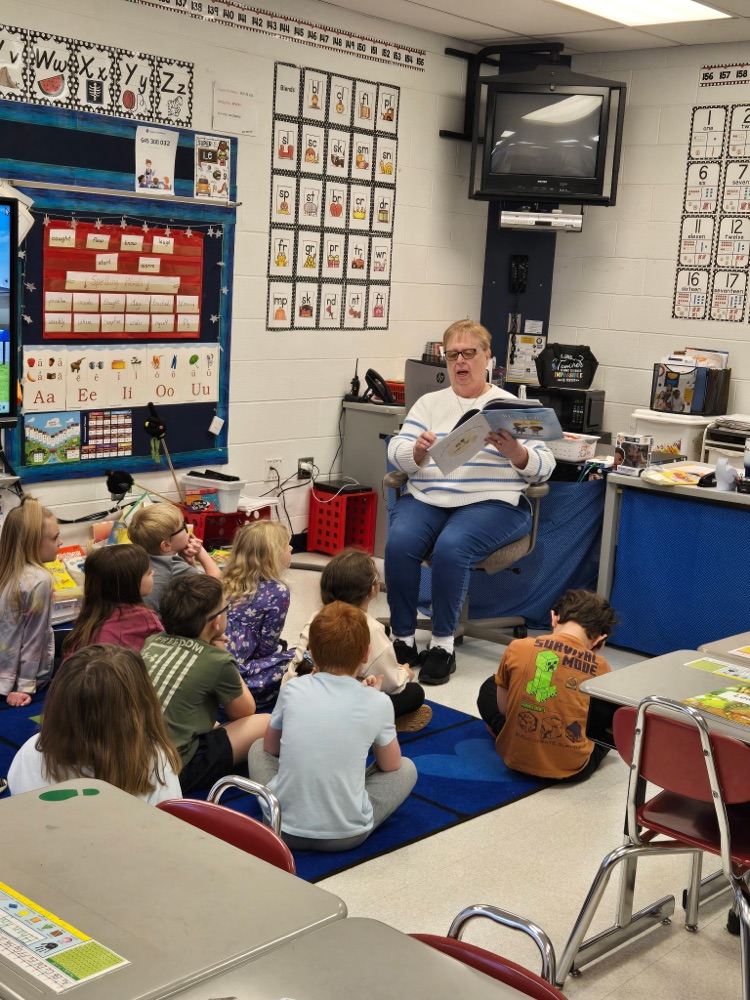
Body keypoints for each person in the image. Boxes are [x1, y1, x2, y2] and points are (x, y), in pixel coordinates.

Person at [385, 319, 555, 685]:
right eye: (452, 356)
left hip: (492, 503)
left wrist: (516, 452)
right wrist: (415, 451)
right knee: (400, 542)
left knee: (452, 544)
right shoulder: (429, 404)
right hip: (429, 497)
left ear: (487, 357)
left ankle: (443, 646)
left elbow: (545, 467)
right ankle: (402, 639)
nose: (460, 363)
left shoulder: (511, 407)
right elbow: (396, 451)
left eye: (469, 354)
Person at [247, 602, 417, 851]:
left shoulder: (293, 688)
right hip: (346, 836)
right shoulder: (378, 701)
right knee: (407, 768)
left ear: (312, 652)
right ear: (366, 654)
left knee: (257, 746)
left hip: (280, 823)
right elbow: (391, 765)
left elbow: (270, 748)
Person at [142, 575, 269, 795]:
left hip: (135, 757)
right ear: (216, 622)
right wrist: (222, 652)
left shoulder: (153, 641)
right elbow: (245, 711)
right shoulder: (217, 660)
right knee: (265, 722)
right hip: (175, 771)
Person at [8, 645, 182, 804]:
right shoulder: (154, 759)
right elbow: (169, 820)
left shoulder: (32, 750)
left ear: (57, 704)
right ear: (140, 704)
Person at [476, 589, 618, 783]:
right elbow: (599, 724)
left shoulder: (518, 647)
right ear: (599, 639)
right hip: (574, 770)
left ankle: (504, 733)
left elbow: (503, 708)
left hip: (515, 757)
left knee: (489, 686)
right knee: (609, 730)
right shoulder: (601, 666)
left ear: (553, 617)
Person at [285, 548, 430, 731]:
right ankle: (378, 727)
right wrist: (404, 674)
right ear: (372, 590)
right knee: (414, 693)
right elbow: (392, 684)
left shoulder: (316, 616)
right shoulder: (370, 628)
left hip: (293, 701)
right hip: (336, 717)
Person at [222, 520, 294, 711]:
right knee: (299, 658)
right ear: (273, 555)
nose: (291, 548)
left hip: (212, 672)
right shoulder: (278, 591)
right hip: (238, 681)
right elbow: (266, 649)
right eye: (287, 545)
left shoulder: (225, 578)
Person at [0, 498, 60, 707]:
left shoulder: (6, 572)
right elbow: (34, 637)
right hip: (22, 680)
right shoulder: (40, 580)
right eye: (54, 538)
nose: (60, 543)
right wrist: (24, 687)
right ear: (33, 543)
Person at [61, 544, 163, 657]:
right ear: (129, 583)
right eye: (148, 573)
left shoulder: (89, 618)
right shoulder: (145, 619)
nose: (153, 573)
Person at [128, 502, 221, 615]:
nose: (188, 528)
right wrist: (200, 551)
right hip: (157, 630)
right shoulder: (173, 566)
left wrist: (188, 560)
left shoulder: (138, 560)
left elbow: (191, 579)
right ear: (166, 546)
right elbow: (216, 583)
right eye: (184, 526)